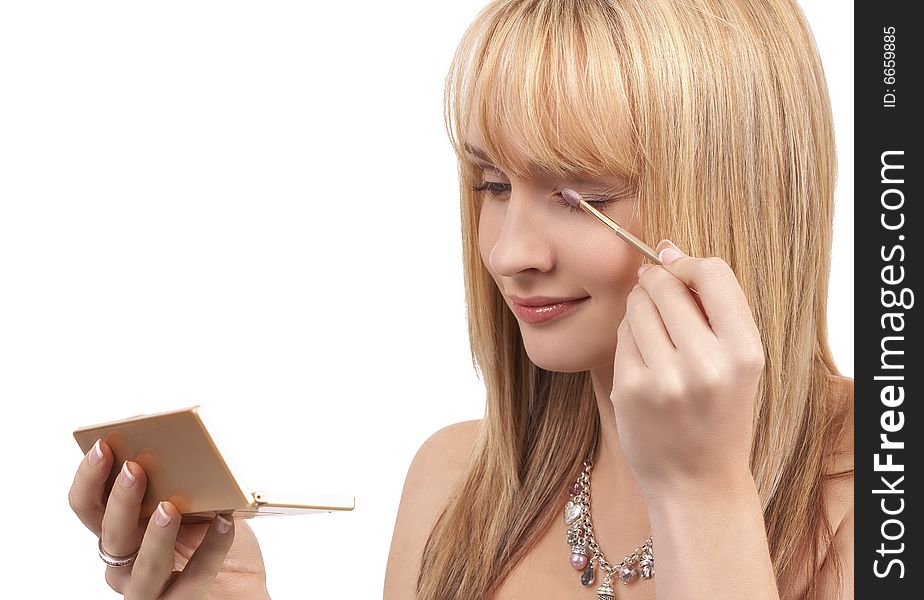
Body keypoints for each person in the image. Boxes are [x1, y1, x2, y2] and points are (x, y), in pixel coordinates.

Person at [68, 0, 854, 598]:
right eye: (493, 184)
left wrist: (700, 494)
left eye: (583, 196)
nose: (510, 254)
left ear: (742, 197)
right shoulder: (456, 488)